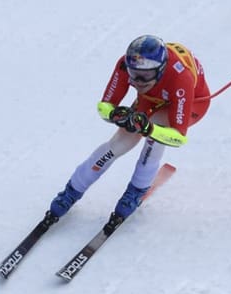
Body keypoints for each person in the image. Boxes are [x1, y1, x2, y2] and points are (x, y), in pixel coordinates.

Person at [43, 35, 210, 229]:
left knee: (154, 137)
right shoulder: (125, 64)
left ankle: (135, 191)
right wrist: (115, 114)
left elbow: (178, 137)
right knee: (119, 144)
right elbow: (104, 106)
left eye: (145, 75)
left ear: (161, 69)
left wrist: (149, 128)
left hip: (191, 103)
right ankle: (71, 191)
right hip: (151, 98)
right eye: (134, 73)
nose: (138, 81)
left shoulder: (181, 78)